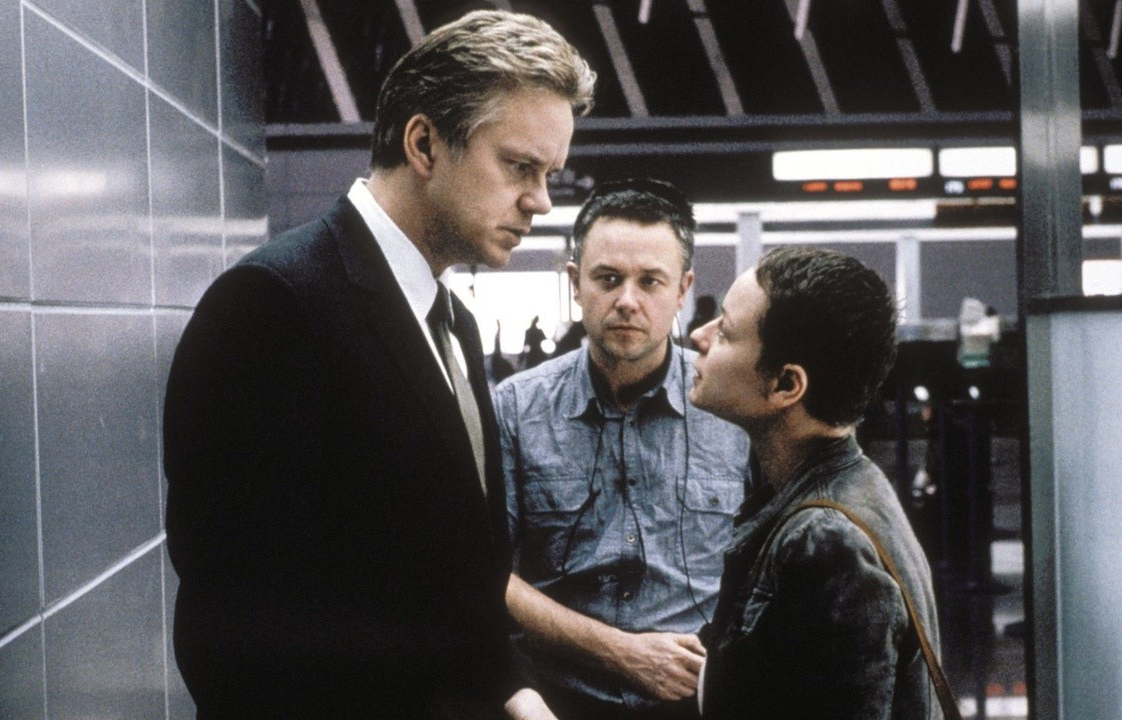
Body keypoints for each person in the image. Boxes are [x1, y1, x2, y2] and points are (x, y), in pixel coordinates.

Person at [163, 10, 595, 719]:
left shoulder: (452, 321)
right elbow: (234, 632)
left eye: (549, 174)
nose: (541, 201)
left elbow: (459, 574)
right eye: (521, 166)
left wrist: (516, 691)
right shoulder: (272, 304)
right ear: (424, 143)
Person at [493, 179, 751, 720]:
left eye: (650, 281)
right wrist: (620, 652)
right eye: (608, 279)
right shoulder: (516, 408)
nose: (628, 301)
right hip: (556, 702)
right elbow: (485, 575)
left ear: (682, 290)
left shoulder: (732, 407)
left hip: (700, 700)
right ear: (575, 284)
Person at [687, 247, 945, 720]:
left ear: (787, 385)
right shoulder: (849, 488)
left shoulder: (826, 542)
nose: (698, 336)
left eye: (725, 331)